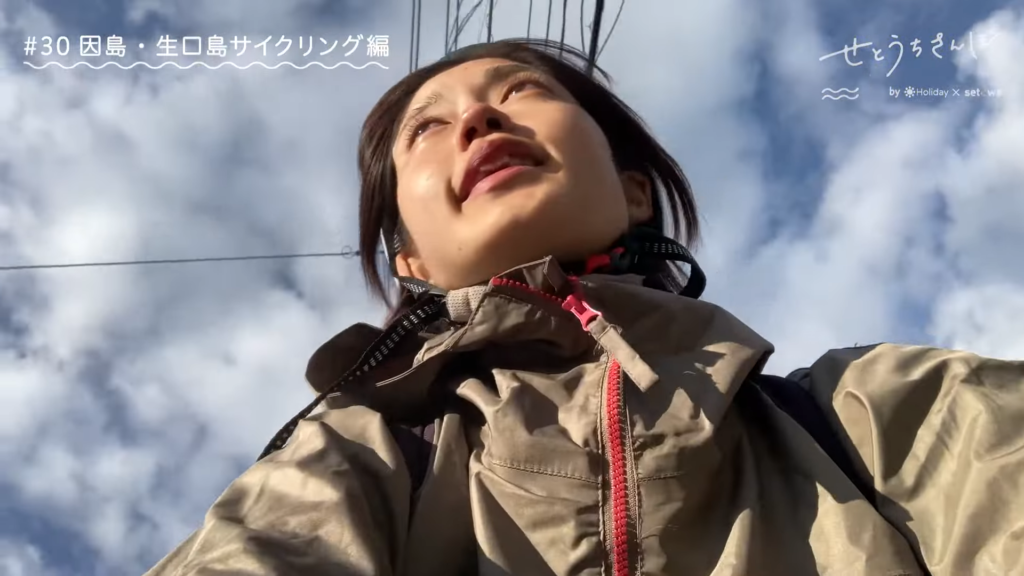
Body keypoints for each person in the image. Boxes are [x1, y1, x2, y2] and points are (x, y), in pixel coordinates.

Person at [145, 39, 1024, 576]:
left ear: (635, 192)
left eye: (522, 91)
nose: (479, 119)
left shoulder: (875, 408)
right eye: (427, 127)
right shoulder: (357, 455)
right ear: (413, 263)